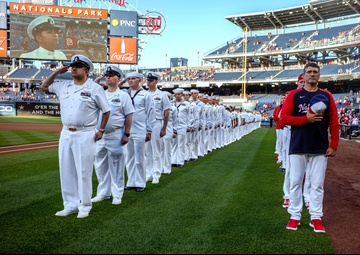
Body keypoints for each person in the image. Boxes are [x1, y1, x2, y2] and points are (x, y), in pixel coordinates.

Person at [40, 54, 110, 218]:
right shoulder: (63, 85)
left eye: (77, 66)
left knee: (84, 171)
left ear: (86, 70)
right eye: (72, 66)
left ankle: (85, 206)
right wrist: (57, 72)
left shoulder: (94, 88)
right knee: (66, 169)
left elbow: (106, 111)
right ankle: (69, 205)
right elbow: (44, 87)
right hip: (66, 133)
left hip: (85, 133)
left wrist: (101, 130)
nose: (73, 68)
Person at [280, 62, 339, 233]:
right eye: (309, 72)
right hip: (298, 145)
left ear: (319, 75)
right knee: (296, 181)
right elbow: (284, 118)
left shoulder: (327, 96)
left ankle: (315, 217)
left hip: (319, 146)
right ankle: (295, 215)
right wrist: (306, 119)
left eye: (315, 72)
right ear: (304, 76)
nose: (312, 74)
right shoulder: (294, 95)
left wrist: (334, 144)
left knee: (318, 184)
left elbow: (334, 122)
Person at [91, 65, 134, 205]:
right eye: (107, 75)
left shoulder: (123, 96)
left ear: (118, 78)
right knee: (100, 165)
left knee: (116, 165)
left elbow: (129, 116)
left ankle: (117, 193)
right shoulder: (100, 93)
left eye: (112, 75)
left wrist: (127, 134)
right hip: (100, 135)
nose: (108, 77)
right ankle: (103, 193)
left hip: (116, 134)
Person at [124, 72, 155, 192]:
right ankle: (131, 181)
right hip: (127, 130)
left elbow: (150, 113)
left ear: (139, 80)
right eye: (129, 79)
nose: (130, 81)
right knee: (129, 157)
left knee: (140, 157)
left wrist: (149, 130)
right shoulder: (125, 93)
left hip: (139, 129)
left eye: (133, 79)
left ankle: (140, 182)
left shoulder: (146, 95)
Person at [145, 72, 170, 184]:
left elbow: (166, 111)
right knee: (147, 150)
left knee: (156, 149)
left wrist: (164, 128)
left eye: (151, 80)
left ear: (156, 81)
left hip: (157, 123)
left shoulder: (162, 95)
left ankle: (156, 173)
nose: (149, 82)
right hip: (146, 124)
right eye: (148, 80)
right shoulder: (144, 94)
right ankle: (148, 173)